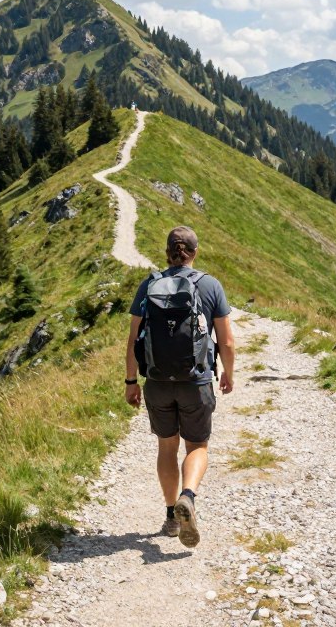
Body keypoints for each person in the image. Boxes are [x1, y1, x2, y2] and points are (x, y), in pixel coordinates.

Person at [125, 226, 235, 547]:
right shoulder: (210, 285)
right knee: (197, 446)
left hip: (157, 382)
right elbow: (226, 341)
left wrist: (131, 381)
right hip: (196, 382)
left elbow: (133, 340)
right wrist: (228, 372)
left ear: (167, 253)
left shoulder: (149, 285)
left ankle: (172, 516)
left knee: (166, 447)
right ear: (195, 253)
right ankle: (189, 496)